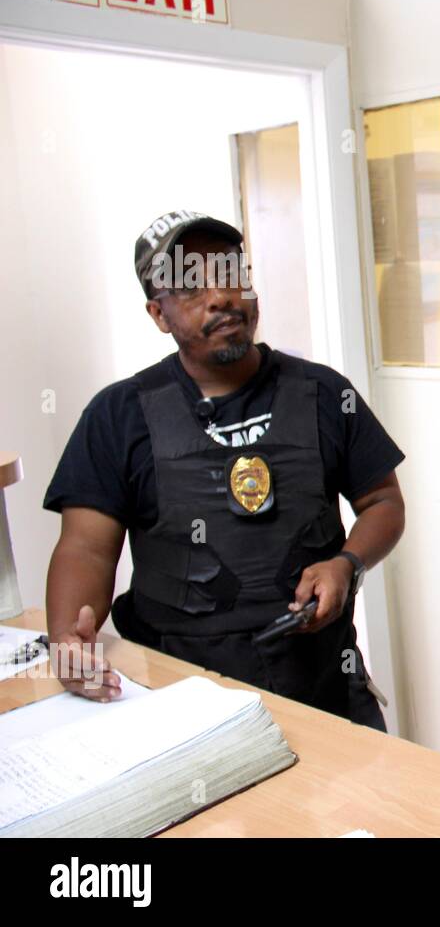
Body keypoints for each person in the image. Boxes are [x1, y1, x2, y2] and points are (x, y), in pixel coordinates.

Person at [44, 211, 405, 730]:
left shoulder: (325, 393)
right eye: (191, 287)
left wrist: (346, 563)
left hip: (323, 691)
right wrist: (67, 635)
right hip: (179, 705)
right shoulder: (119, 415)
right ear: (158, 313)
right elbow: (85, 546)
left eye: (231, 274)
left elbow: (383, 503)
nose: (220, 296)